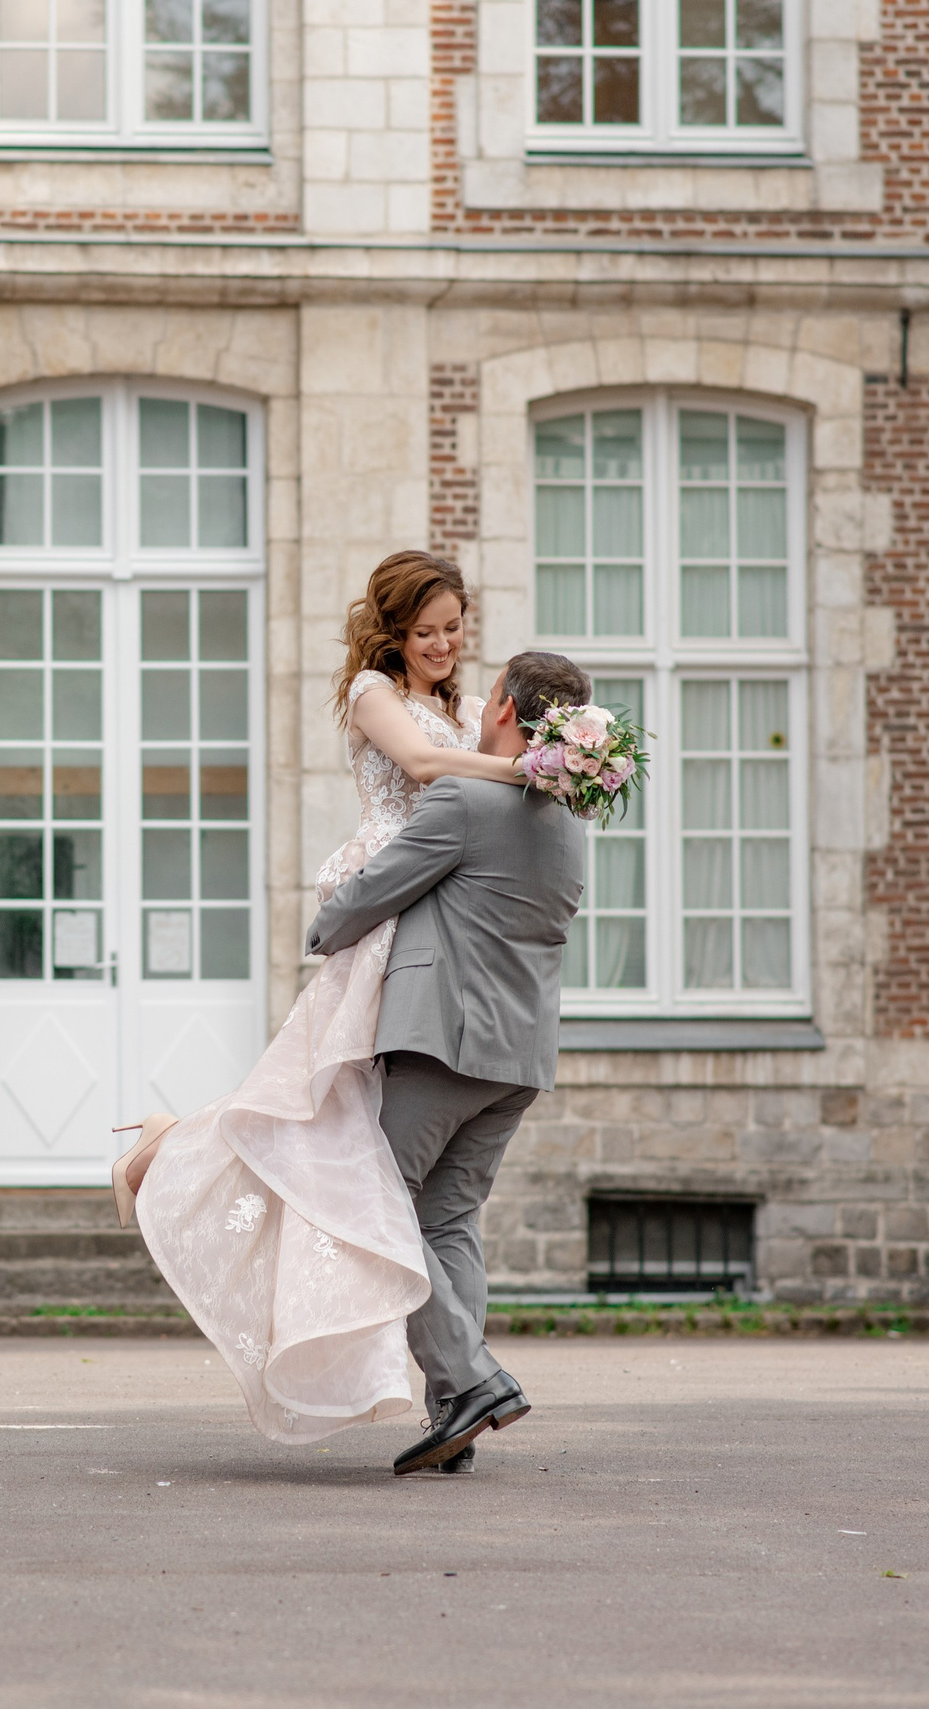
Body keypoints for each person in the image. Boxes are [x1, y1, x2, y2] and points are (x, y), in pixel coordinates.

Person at [116, 551, 544, 1456]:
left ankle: (453, 1401)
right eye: (424, 631)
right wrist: (539, 770)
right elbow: (431, 764)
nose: (441, 644)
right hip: (388, 919)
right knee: (319, 1124)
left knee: (395, 1182)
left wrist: (560, 760)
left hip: (440, 930)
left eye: (454, 627)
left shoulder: (472, 708)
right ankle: (163, 1147)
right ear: (393, 633)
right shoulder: (372, 693)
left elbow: (483, 757)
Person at [305, 648, 592, 1474]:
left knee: (373, 1199)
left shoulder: (464, 800)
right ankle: (455, 1416)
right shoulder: (571, 821)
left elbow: (379, 886)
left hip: (445, 1042)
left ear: (500, 705)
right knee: (447, 1222)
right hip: (520, 1057)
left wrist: (321, 931)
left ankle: (471, 1382)